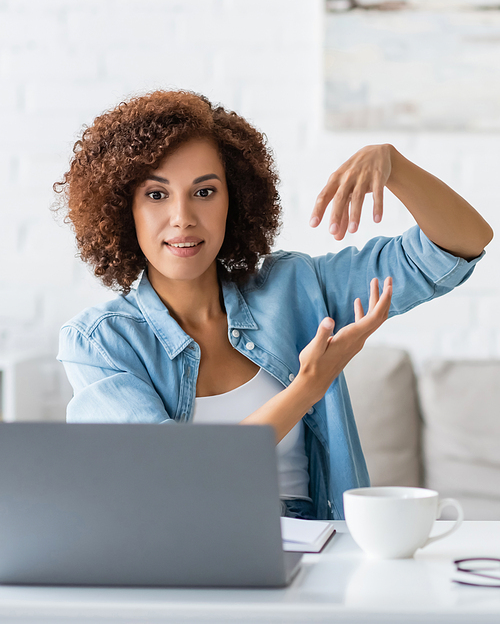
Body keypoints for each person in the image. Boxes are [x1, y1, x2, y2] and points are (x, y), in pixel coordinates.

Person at [53, 90, 493, 521]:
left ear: (236, 200)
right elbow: (173, 474)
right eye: (156, 195)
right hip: (187, 556)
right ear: (122, 209)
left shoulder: (297, 289)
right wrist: (307, 387)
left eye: (205, 192)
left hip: (317, 549)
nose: (183, 217)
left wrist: (394, 165)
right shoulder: (100, 343)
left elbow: (459, 246)